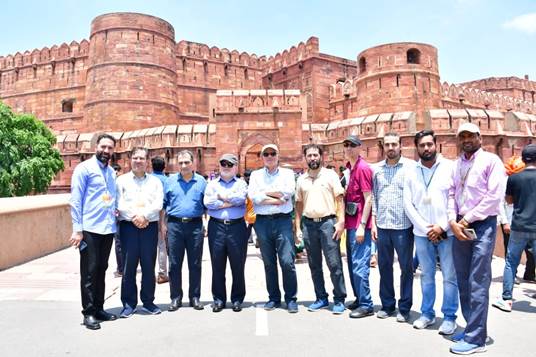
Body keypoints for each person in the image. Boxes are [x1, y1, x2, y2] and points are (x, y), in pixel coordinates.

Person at [447, 122, 506, 355]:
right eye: (463, 137)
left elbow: (494, 197)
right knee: (462, 278)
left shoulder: (491, 162)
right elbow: (451, 193)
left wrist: (466, 220)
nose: (467, 140)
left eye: (471, 136)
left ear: (480, 138)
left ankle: (476, 339)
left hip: (481, 225)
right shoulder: (457, 165)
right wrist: (453, 219)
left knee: (477, 280)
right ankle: (473, 328)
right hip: (460, 224)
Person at [403, 130, 459, 334]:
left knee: (449, 276)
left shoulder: (450, 168)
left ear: (436, 145)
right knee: (426, 274)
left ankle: (450, 317)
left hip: (446, 232)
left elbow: (455, 200)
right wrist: (426, 228)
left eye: (429, 144)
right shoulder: (411, 171)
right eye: (422, 145)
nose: (426, 148)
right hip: (422, 232)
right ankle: (427, 313)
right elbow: (407, 203)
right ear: (417, 148)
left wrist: (441, 226)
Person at [69, 133, 118, 330]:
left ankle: (99, 308)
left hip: (107, 228)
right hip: (89, 228)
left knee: (101, 269)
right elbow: (75, 200)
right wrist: (77, 230)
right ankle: (88, 312)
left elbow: (111, 197)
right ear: (96, 147)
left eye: (110, 148)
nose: (106, 151)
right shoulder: (84, 169)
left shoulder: (111, 173)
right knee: (89, 272)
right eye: (103, 147)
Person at [295, 144, 347, 314]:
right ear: (305, 158)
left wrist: (341, 222)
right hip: (309, 224)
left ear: (321, 156)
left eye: (315, 155)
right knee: (314, 264)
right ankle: (321, 298)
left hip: (328, 223)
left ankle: (339, 299)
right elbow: (299, 204)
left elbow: (339, 200)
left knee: (334, 263)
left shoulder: (330, 175)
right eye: (309, 155)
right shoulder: (302, 179)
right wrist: (298, 226)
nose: (312, 158)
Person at [248, 144, 298, 313]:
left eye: (273, 153)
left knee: (287, 261)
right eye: (266, 154)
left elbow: (288, 192)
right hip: (262, 222)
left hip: (283, 220)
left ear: (278, 155)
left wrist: (265, 194)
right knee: (269, 262)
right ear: (262, 157)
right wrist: (277, 198)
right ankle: (274, 298)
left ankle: (291, 298)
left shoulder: (288, 173)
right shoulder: (255, 175)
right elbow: (254, 196)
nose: (269, 156)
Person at [371, 132, 415, 323]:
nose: (390, 148)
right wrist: (373, 222)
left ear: (400, 146)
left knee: (406, 268)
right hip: (382, 225)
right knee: (384, 267)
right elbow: (373, 197)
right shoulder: (377, 170)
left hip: (403, 226)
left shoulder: (410, 168)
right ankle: (388, 305)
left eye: (394, 144)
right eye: (387, 144)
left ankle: (404, 308)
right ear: (383, 146)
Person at [116, 147, 164, 317]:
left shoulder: (155, 182)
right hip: (128, 226)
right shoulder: (121, 181)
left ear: (147, 161)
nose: (138, 161)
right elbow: (119, 203)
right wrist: (135, 216)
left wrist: (144, 216)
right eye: (135, 158)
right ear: (130, 159)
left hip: (149, 226)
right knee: (129, 266)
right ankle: (128, 303)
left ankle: (148, 302)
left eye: (141, 158)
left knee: (148, 265)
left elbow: (158, 203)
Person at [493, 145, 536, 312]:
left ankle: (507, 300)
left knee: (511, 262)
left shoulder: (514, 178)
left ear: (524, 160)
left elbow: (509, 201)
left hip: (518, 226)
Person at [204, 154, 249, 312]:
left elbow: (241, 199)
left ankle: (237, 298)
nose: (226, 166)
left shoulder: (241, 183)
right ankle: (219, 299)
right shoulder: (211, 184)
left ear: (236, 166)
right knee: (217, 264)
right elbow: (208, 203)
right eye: (223, 163)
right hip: (216, 226)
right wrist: (229, 202)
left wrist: (220, 198)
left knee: (238, 264)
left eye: (230, 164)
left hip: (237, 227)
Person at [164, 150, 207, 312]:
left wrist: (206, 224)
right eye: (180, 163)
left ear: (193, 162)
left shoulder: (201, 181)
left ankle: (194, 297)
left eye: (186, 162)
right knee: (175, 263)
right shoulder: (170, 181)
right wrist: (163, 226)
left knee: (195, 263)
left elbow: (206, 205)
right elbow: (163, 204)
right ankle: (176, 298)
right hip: (174, 225)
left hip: (195, 225)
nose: (183, 166)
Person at [341, 135, 375, 318]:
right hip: (350, 223)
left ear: (360, 147)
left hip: (359, 225)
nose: (348, 148)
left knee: (360, 264)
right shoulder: (350, 168)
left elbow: (369, 197)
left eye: (352, 145)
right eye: (346, 145)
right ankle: (359, 298)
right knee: (353, 263)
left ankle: (366, 303)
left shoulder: (362, 168)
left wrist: (363, 225)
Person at [498, 156, 535, 283]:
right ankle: (512, 277)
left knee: (530, 251)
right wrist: (505, 222)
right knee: (511, 254)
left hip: (524, 221)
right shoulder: (506, 181)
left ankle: (529, 274)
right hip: (511, 221)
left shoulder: (523, 179)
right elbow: (501, 203)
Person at [151, 156, 169, 284]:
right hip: (163, 214)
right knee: (162, 244)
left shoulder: (147, 179)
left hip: (147, 215)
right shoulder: (167, 181)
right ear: (164, 167)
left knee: (148, 246)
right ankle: (162, 273)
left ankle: (148, 273)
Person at [111, 163, 124, 278]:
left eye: (117, 170)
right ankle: (121, 267)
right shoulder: (109, 182)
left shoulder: (122, 182)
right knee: (118, 242)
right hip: (113, 216)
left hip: (122, 216)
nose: (115, 172)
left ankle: (121, 268)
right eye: (113, 170)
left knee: (119, 242)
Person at [243, 169, 257, 246]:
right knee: (252, 227)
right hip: (252, 214)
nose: (248, 178)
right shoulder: (246, 187)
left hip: (250, 214)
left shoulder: (247, 188)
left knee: (250, 227)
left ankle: (249, 239)